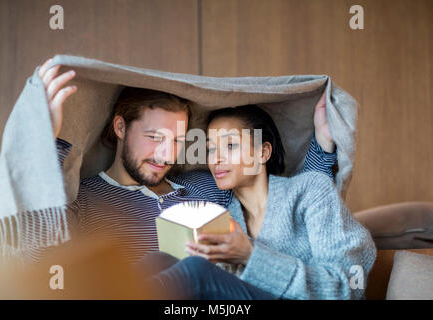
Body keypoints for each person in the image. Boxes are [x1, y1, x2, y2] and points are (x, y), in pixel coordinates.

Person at [21, 58, 337, 264]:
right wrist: (46, 145)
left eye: (176, 141)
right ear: (121, 127)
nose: (166, 155)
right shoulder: (84, 199)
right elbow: (34, 257)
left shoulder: (207, 186)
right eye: (155, 137)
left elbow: (288, 210)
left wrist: (323, 146)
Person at [137, 105, 377, 300]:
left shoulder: (310, 191)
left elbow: (346, 289)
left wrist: (251, 256)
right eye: (210, 149)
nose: (216, 159)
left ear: (263, 153)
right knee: (158, 261)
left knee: (195, 272)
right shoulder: (225, 219)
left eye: (230, 146)